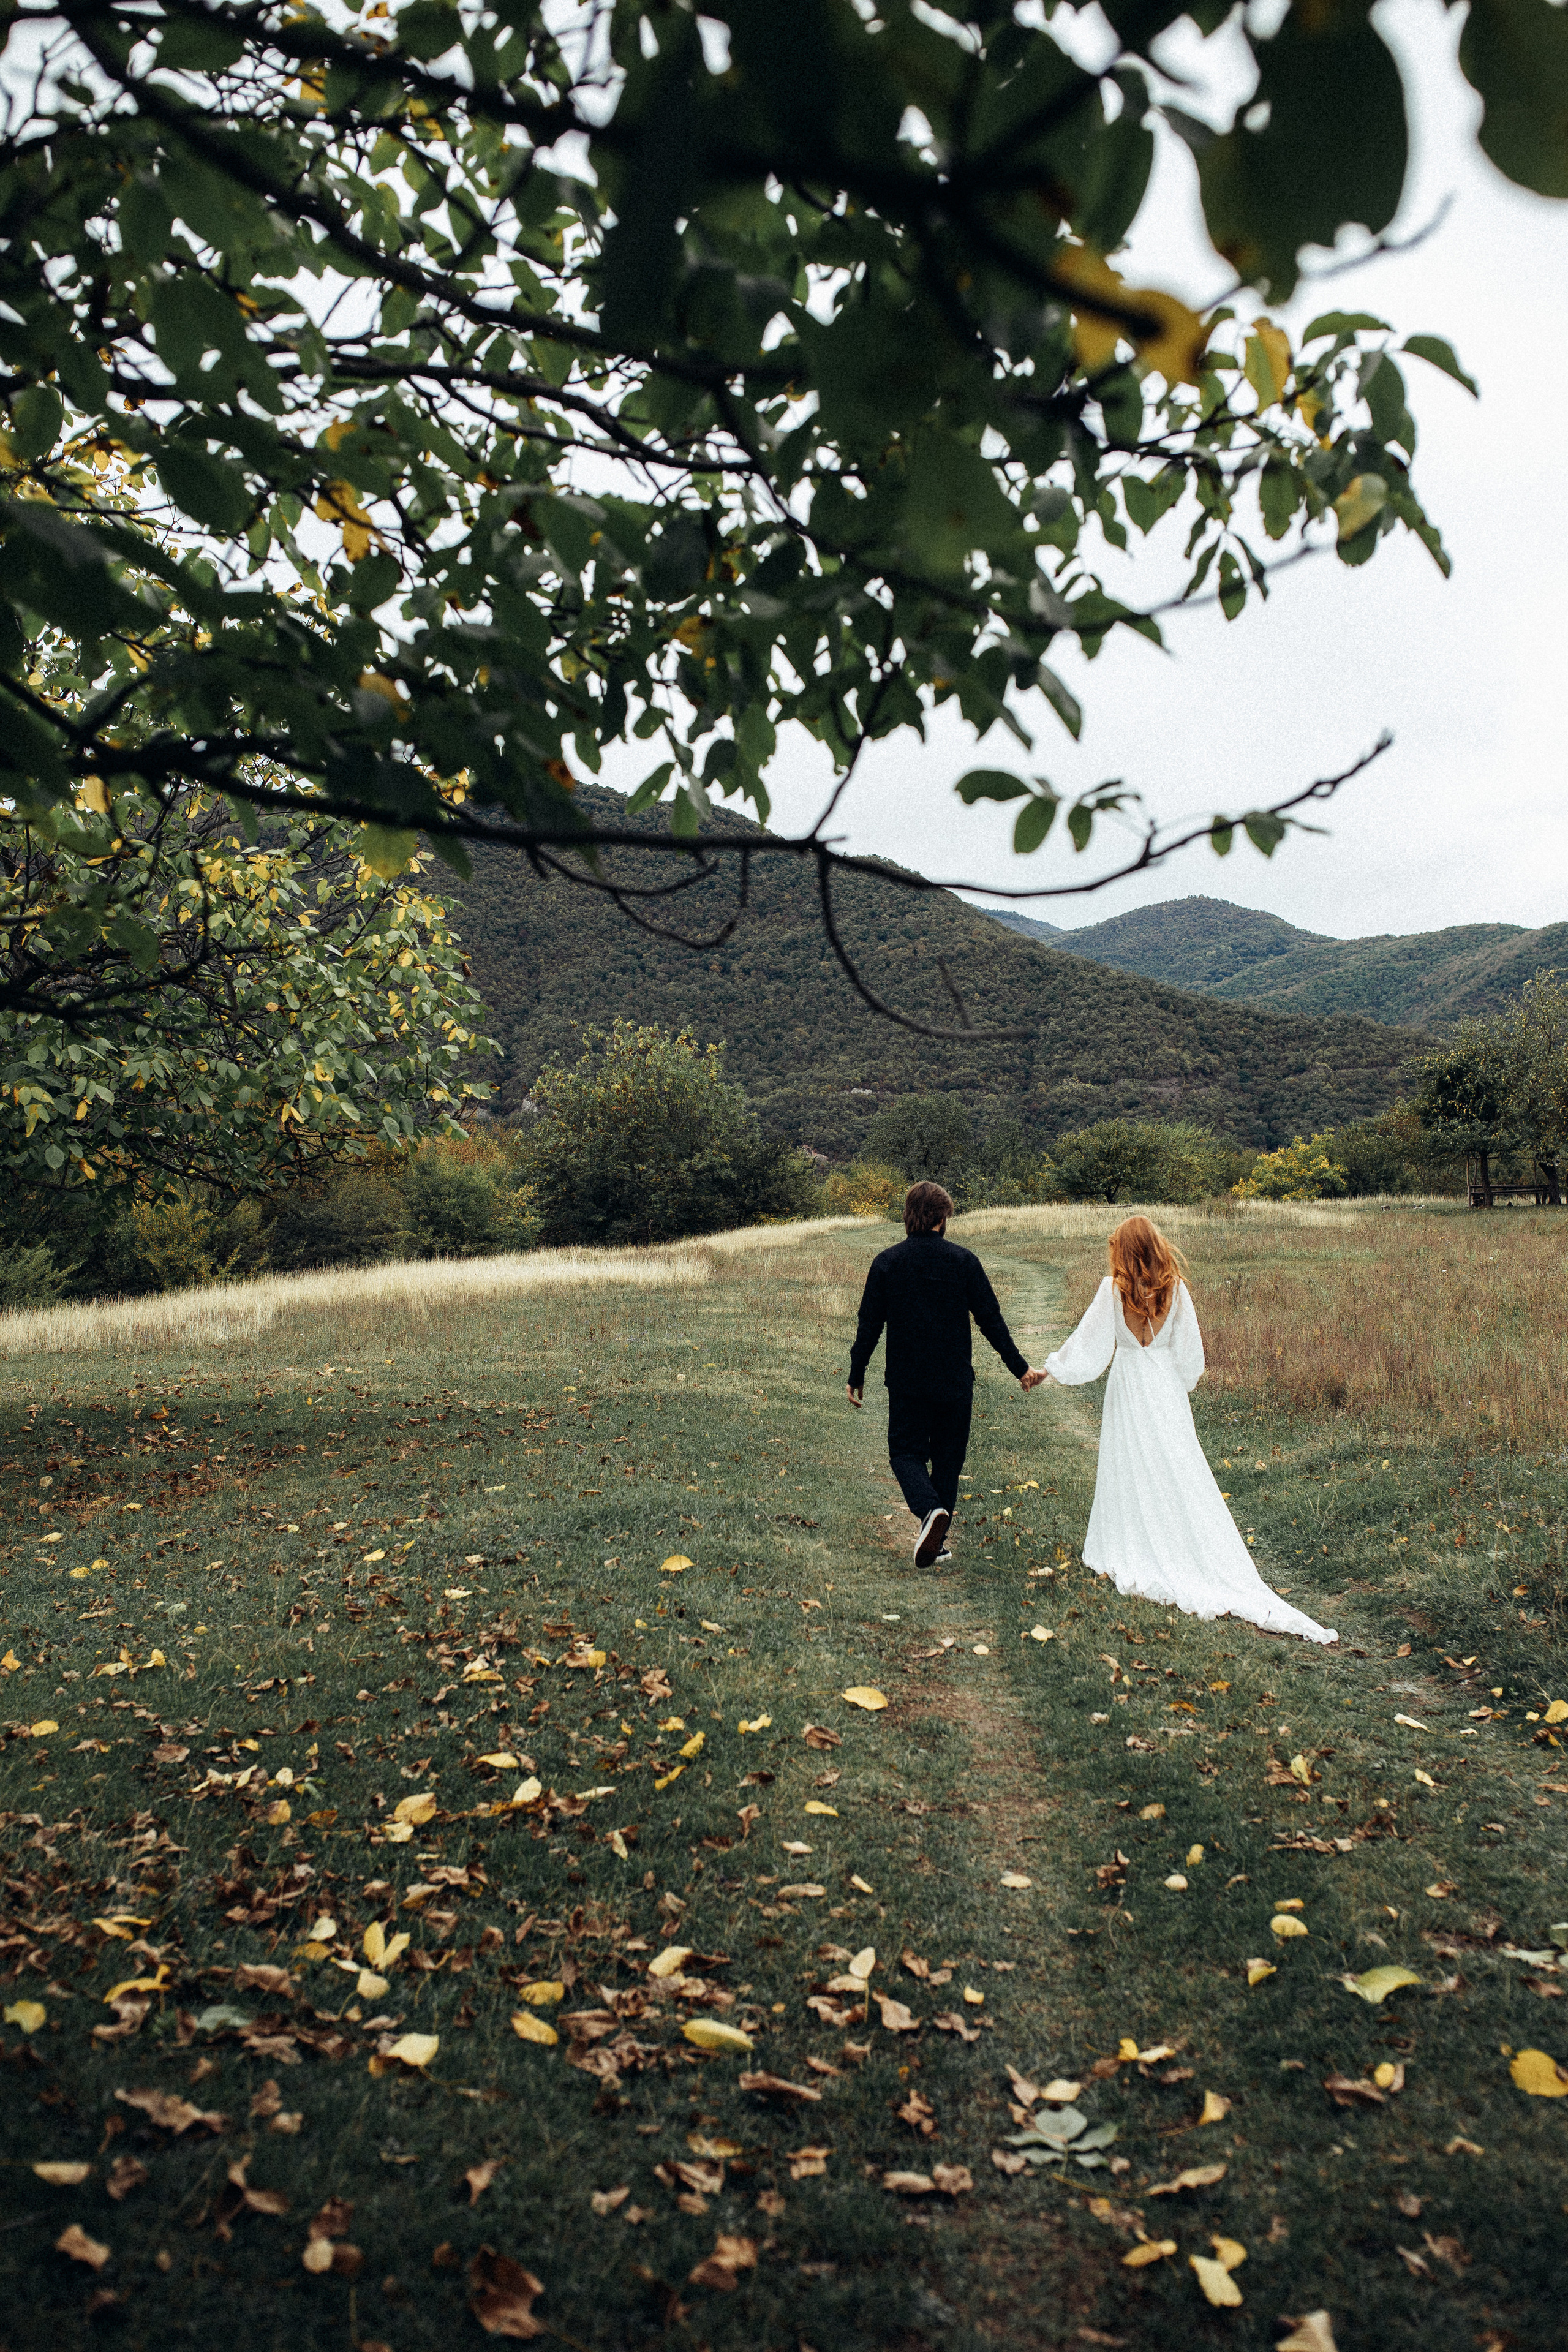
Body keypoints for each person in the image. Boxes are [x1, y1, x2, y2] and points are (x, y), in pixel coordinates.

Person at [1041, 1214, 1337, 1644]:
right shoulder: (1175, 1290)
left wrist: (1051, 1369)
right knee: (1177, 1465)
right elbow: (1191, 1358)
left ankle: (1132, 1542)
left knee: (1129, 1463)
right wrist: (1174, 1387)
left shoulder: (1113, 1291)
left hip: (1128, 1384)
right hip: (1163, 1385)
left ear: (1122, 1251)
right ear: (1158, 1247)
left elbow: (1088, 1346)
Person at [847, 1180, 1046, 1566]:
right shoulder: (963, 1261)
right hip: (955, 1380)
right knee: (949, 1460)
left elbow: (868, 1325)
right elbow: (991, 1319)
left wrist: (857, 1372)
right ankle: (936, 1536)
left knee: (906, 1453)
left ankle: (929, 1515)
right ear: (943, 1218)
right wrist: (1019, 1368)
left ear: (908, 1217)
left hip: (907, 1380)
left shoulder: (887, 1262)